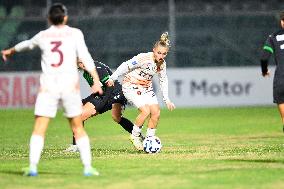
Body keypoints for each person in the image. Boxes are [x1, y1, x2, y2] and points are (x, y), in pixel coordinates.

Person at [1, 3, 103, 176]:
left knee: (40, 127)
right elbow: (85, 57)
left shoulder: (44, 35)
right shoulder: (75, 33)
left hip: (49, 87)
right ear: (65, 17)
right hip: (70, 86)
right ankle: (87, 168)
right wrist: (96, 79)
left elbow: (25, 44)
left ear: (49, 18)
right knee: (78, 126)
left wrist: (10, 51)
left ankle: (33, 167)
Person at [106, 32, 176, 150]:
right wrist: (113, 77)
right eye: (159, 53)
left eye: (164, 54)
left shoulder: (162, 64)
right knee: (145, 111)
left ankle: (149, 140)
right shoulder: (143, 58)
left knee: (156, 112)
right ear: (154, 50)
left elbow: (163, 80)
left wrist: (167, 99)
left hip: (146, 88)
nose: (161, 56)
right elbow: (126, 65)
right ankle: (134, 136)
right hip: (130, 86)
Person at [65, 60, 144, 152]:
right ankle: (139, 136)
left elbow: (110, 86)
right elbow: (99, 91)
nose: (82, 65)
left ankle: (76, 146)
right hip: (106, 94)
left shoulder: (97, 68)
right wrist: (84, 101)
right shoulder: (86, 73)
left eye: (83, 61)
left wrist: (102, 104)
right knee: (117, 117)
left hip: (115, 93)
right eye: (79, 63)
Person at [261, 11, 284, 133]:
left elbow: (264, 57)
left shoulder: (273, 37)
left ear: (282, 22)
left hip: (281, 79)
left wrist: (264, 71)